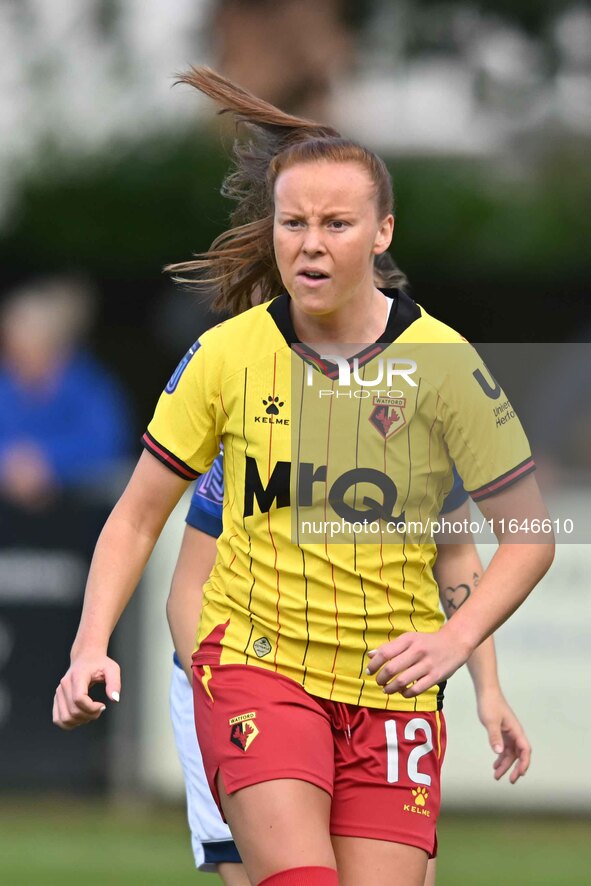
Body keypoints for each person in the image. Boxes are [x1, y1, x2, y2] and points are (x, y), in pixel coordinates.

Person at [53, 68, 554, 886]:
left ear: (382, 232)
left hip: (388, 693)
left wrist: (460, 651)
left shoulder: (444, 365)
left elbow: (524, 539)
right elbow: (140, 516)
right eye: (292, 223)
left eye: (334, 223)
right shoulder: (225, 357)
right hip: (256, 667)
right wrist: (88, 648)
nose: (309, 243)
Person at [167, 452, 531, 886]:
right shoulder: (257, 423)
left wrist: (488, 688)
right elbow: (189, 590)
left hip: (374, 698)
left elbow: (455, 556)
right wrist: (226, 697)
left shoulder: (431, 423)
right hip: (254, 687)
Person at [0, 277, 131, 508]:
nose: (17, 358)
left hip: (78, 512)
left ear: (55, 344)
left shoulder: (89, 383)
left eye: (30, 347)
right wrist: (9, 463)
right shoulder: (6, 384)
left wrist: (48, 461)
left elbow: (109, 442)